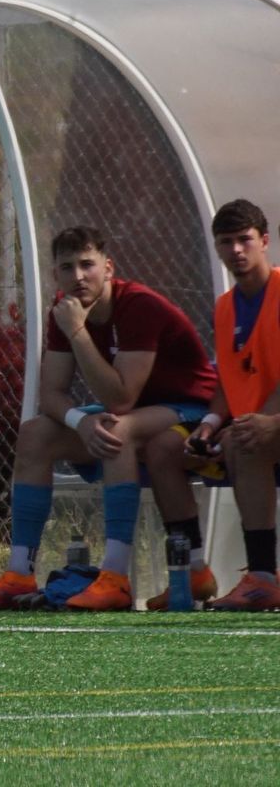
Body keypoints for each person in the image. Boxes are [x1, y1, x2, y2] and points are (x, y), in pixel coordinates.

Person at [0, 226, 216, 611]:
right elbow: (50, 394)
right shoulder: (63, 312)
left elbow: (121, 398)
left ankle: (114, 577)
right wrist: (80, 421)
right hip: (134, 413)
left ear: (108, 267)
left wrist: (78, 332)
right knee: (35, 434)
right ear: (55, 275)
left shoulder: (139, 306)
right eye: (67, 267)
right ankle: (19, 574)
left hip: (191, 408)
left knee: (115, 430)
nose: (78, 276)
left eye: (87, 265)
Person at [146, 199, 280, 611]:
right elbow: (228, 378)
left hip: (268, 425)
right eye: (226, 242)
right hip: (250, 425)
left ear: (265, 241)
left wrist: (266, 422)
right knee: (163, 448)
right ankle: (192, 572)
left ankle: (262, 576)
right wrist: (208, 425)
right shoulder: (224, 307)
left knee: (243, 441)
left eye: (245, 240)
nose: (236, 250)